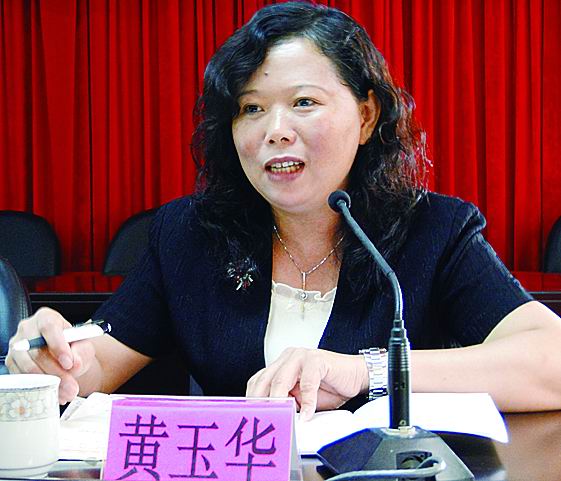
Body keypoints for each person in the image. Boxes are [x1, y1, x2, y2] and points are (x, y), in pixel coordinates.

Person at [6, 2, 561, 420]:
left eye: (304, 103)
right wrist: (54, 359)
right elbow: (100, 361)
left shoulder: (434, 230)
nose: (275, 131)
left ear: (367, 115)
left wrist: (363, 371)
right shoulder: (190, 233)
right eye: (251, 109)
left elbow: (551, 361)